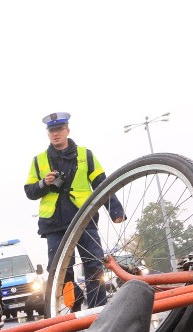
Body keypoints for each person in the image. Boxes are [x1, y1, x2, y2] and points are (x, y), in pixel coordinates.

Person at [24, 112, 124, 310]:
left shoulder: (85, 155)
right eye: (51, 131)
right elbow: (29, 191)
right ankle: (75, 303)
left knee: (94, 266)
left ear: (67, 130)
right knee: (61, 272)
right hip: (54, 224)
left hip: (84, 219)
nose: (55, 134)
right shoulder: (39, 161)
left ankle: (98, 310)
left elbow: (101, 184)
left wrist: (115, 210)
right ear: (48, 134)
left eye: (59, 129)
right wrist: (44, 183)